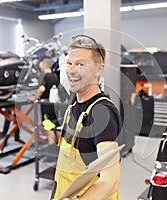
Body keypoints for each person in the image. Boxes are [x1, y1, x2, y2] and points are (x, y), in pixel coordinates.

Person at [51, 35, 122, 200]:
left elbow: (111, 180)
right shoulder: (75, 101)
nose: (71, 70)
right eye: (69, 63)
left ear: (99, 69)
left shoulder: (101, 112)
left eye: (80, 64)